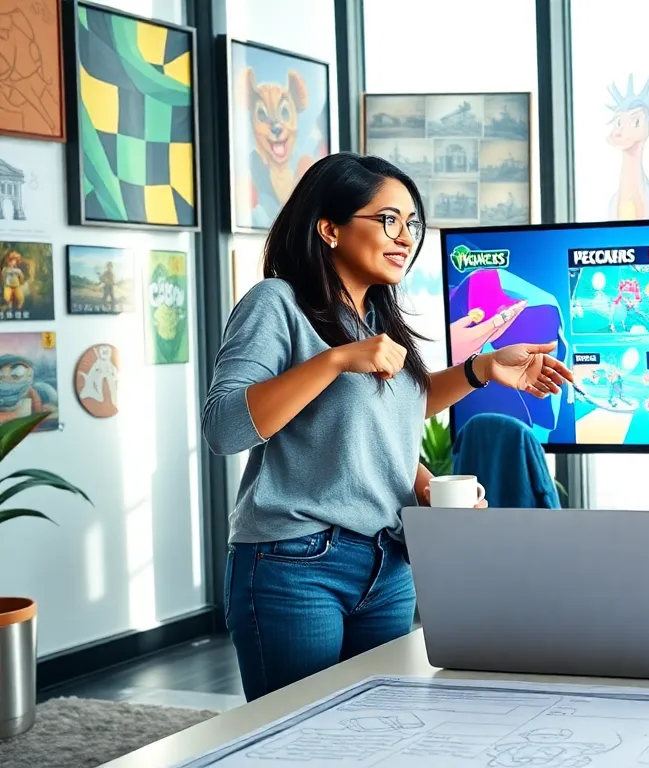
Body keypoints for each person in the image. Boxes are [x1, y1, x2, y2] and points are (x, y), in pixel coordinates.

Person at [202, 153, 573, 701]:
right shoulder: (276, 303)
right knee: (302, 745)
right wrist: (334, 360)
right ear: (329, 228)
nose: (404, 237)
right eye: (388, 220)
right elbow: (225, 427)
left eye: (410, 223)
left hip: (388, 561)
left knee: (378, 734)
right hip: (295, 564)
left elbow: (393, 414)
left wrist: (482, 370)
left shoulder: (377, 317)